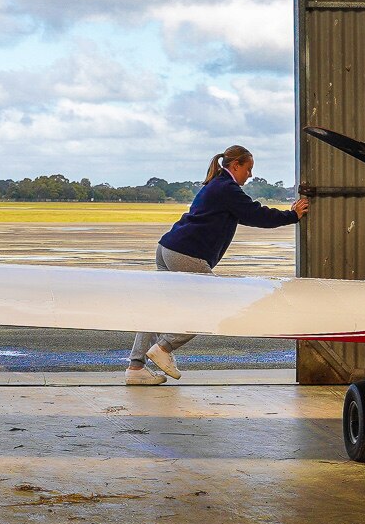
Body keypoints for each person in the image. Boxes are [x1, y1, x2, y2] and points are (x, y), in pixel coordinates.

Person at [126, 144, 310, 384]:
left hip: (167, 248)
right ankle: (164, 347)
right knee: (212, 305)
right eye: (249, 169)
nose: (250, 175)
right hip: (185, 252)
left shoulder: (216, 184)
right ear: (236, 166)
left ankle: (136, 367)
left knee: (161, 307)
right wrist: (292, 215)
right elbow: (256, 215)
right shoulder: (227, 188)